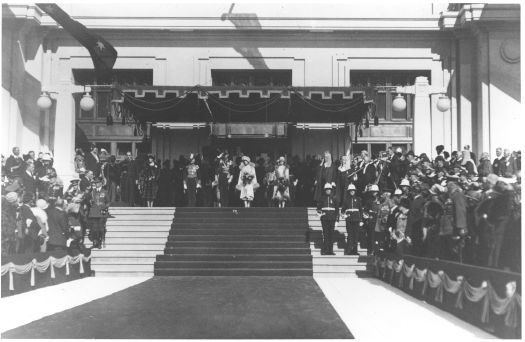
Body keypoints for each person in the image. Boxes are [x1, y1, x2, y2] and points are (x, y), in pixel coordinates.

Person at [317, 183, 339, 255]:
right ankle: (325, 250)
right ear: (325, 190)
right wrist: (321, 216)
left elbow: (337, 209)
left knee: (331, 235)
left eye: (329, 189)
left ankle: (330, 250)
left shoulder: (334, 198)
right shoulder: (322, 198)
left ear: (331, 190)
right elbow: (318, 209)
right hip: (325, 218)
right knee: (325, 234)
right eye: (327, 189)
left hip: (332, 218)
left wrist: (337, 219)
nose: (328, 191)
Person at [87, 177, 110, 248]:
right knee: (94, 228)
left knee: (100, 227)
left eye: (97, 183)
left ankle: (100, 241)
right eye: (95, 183)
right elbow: (89, 200)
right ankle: (95, 241)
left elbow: (108, 202)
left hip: (101, 212)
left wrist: (105, 208)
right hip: (94, 212)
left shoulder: (104, 192)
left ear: (100, 183)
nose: (96, 184)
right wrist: (90, 202)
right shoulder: (92, 192)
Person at [341, 183, 362, 255]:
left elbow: (361, 210)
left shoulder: (358, 199)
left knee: (356, 236)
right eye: (350, 190)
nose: (352, 191)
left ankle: (355, 251)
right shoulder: (346, 200)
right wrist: (344, 215)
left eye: (353, 190)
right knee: (350, 235)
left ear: (355, 191)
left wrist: (361, 220)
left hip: (356, 219)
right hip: (349, 219)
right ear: (348, 191)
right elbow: (342, 210)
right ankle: (348, 250)